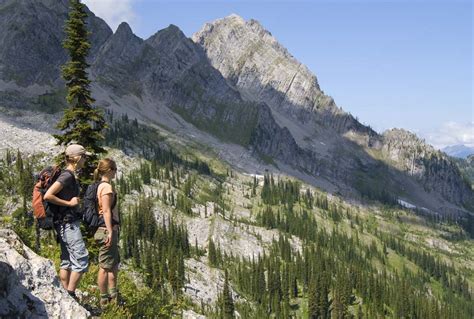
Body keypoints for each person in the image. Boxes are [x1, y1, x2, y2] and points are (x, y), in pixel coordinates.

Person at [44, 144, 90, 300]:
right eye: (84, 157)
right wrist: (69, 204)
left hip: (63, 223)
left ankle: (64, 294)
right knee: (81, 259)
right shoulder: (67, 176)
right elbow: (48, 195)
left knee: (67, 260)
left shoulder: (68, 175)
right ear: (77, 158)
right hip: (68, 224)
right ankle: (70, 294)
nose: (86, 160)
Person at [93, 158, 121, 308]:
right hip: (106, 230)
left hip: (104, 230)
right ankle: (104, 300)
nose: (116, 172)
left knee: (112, 264)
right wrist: (110, 231)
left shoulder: (100, 186)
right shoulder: (106, 188)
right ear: (110, 170)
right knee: (105, 266)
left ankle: (113, 296)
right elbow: (106, 210)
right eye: (115, 169)